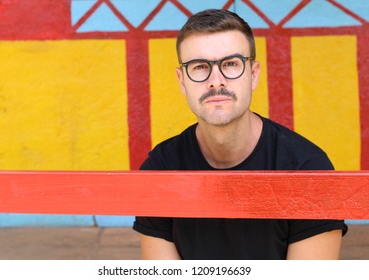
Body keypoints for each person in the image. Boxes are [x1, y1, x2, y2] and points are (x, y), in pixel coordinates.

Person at [133, 9, 347, 260]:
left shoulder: (309, 168)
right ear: (182, 81)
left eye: (231, 64)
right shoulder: (160, 168)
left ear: (253, 75)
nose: (216, 81)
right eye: (199, 67)